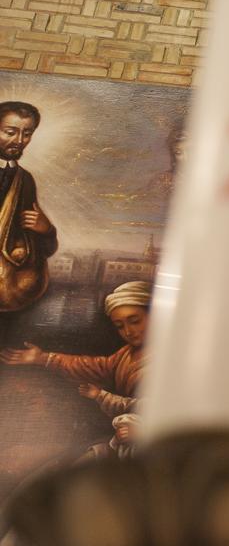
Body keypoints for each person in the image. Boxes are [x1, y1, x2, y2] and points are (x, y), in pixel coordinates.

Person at [0, 280, 150, 416]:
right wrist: (42, 358)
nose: (128, 332)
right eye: (120, 326)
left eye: (135, 321)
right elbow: (95, 367)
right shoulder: (127, 353)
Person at [0, 100, 57, 313]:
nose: (19, 140)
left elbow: (46, 250)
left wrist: (46, 230)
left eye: (27, 133)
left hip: (9, 289)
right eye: (10, 132)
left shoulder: (25, 181)